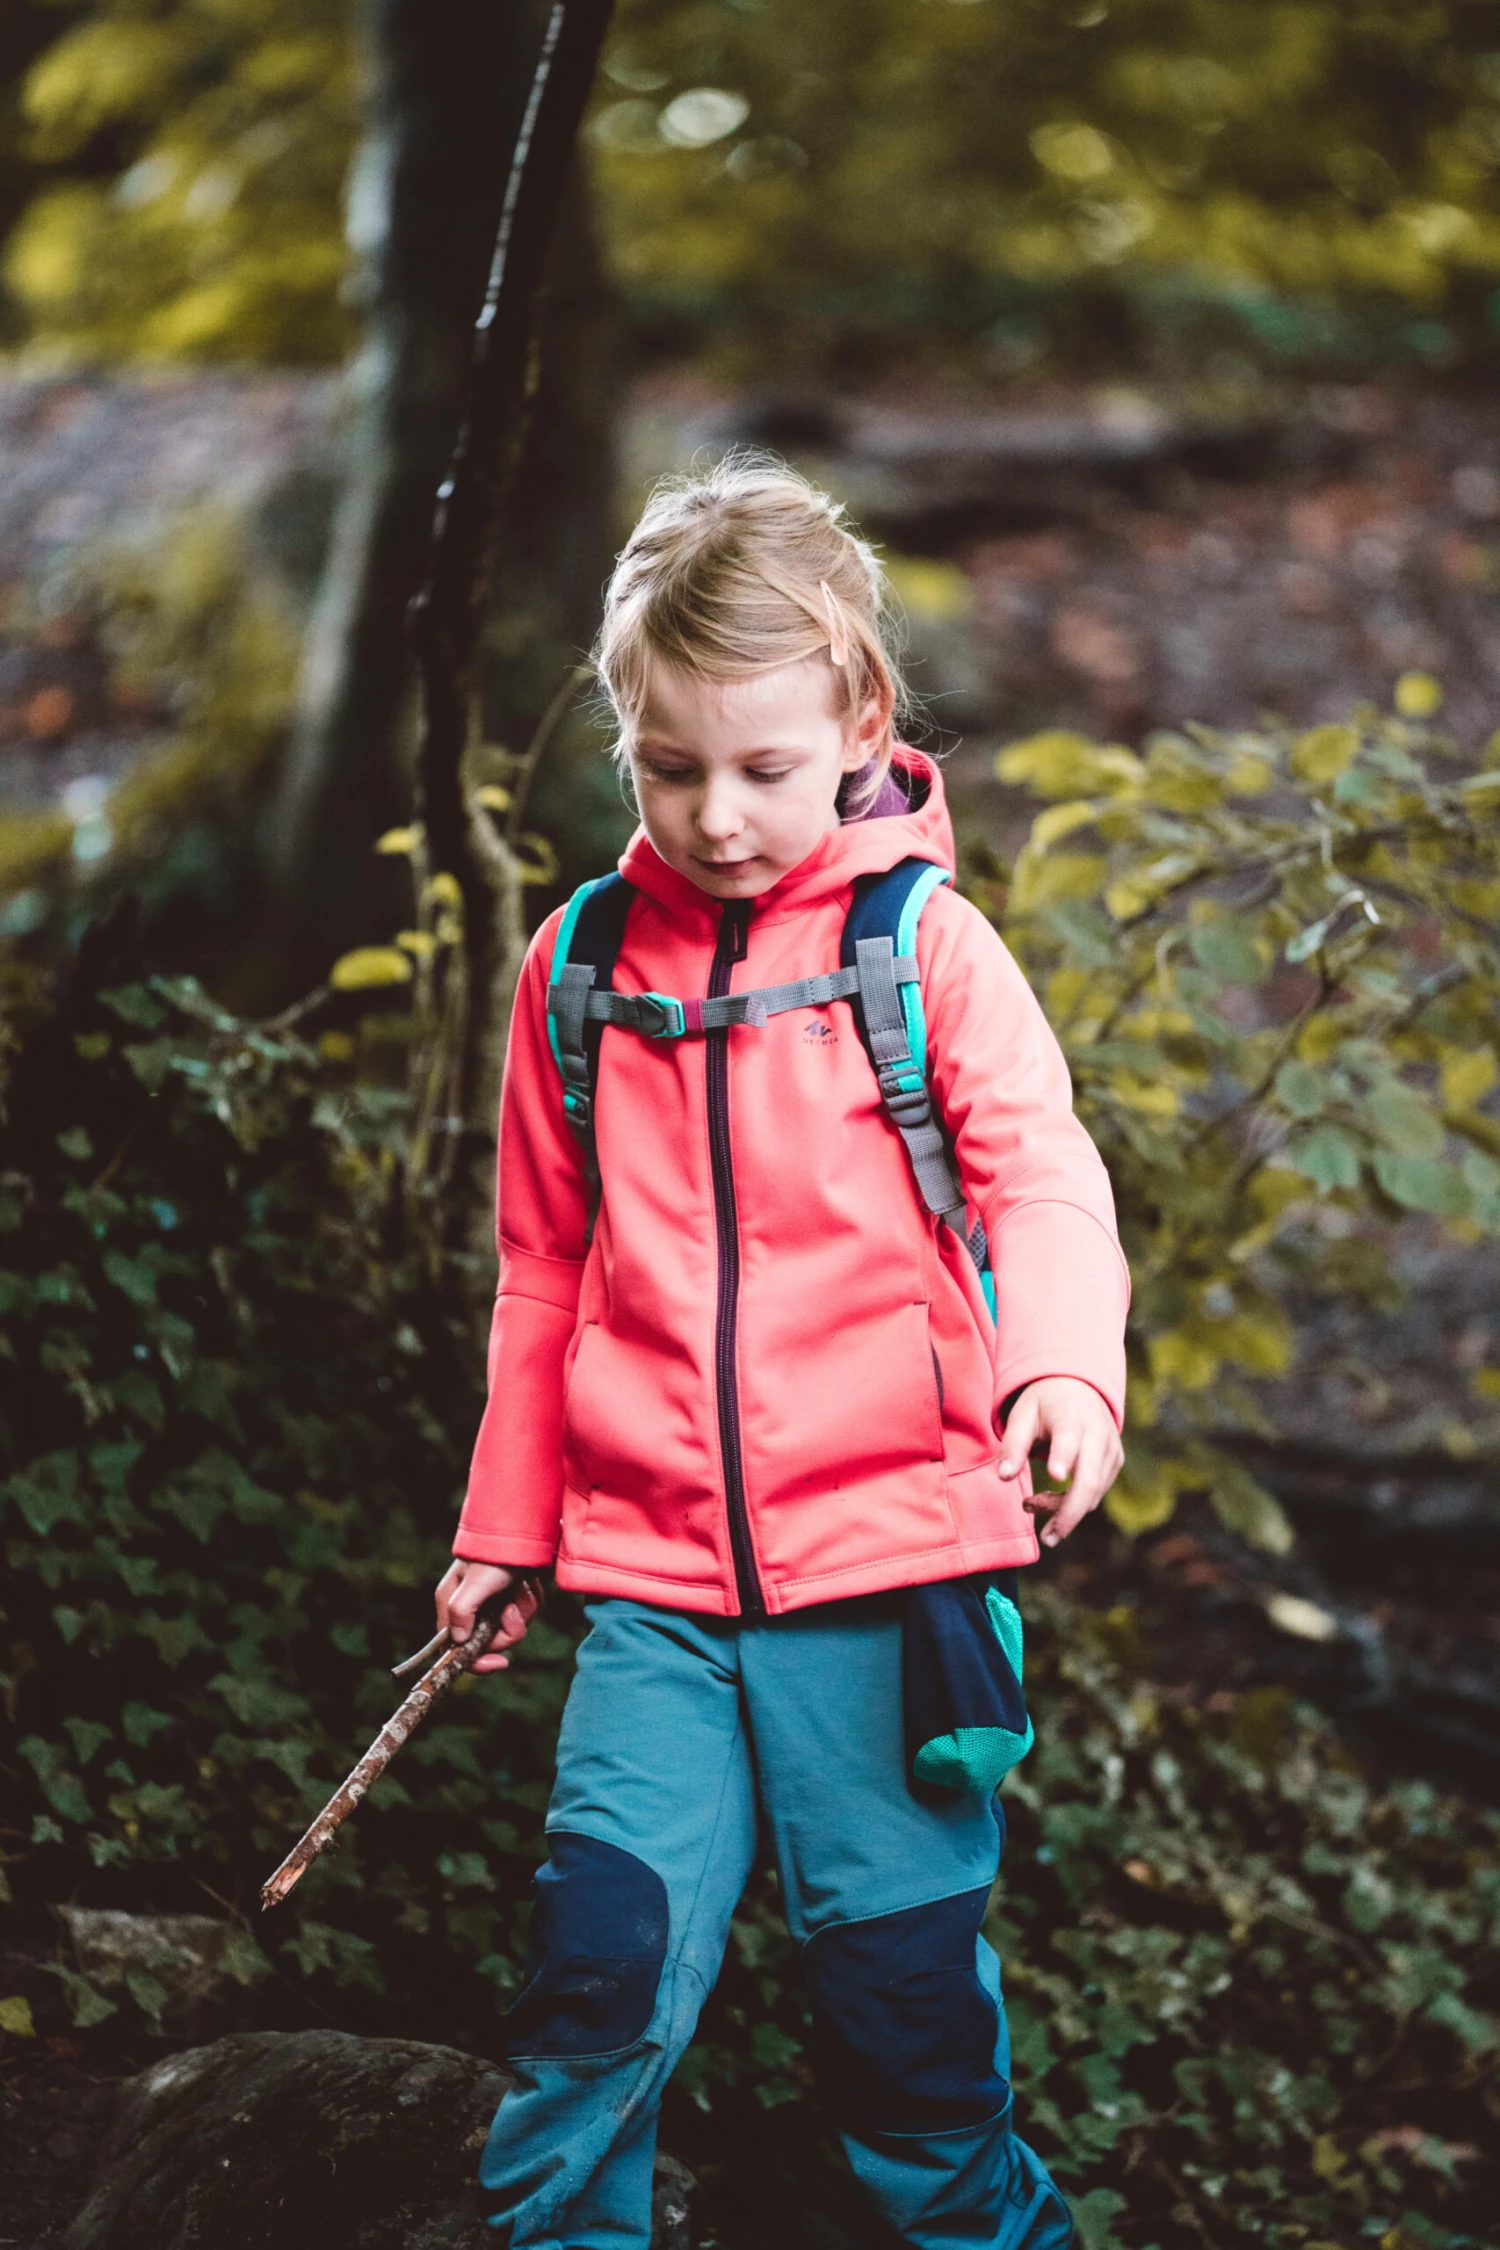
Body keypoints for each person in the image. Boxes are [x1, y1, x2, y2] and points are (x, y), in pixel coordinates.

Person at [432, 457, 1129, 2249]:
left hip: (890, 1586)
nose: (717, 816)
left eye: (761, 766)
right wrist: (506, 1526)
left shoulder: (924, 954)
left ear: (861, 722)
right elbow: (543, 1268)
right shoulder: (579, 970)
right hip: (653, 1594)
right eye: (669, 768)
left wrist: (1064, 1370)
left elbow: (1042, 1175)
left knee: (905, 2015)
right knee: (598, 1965)